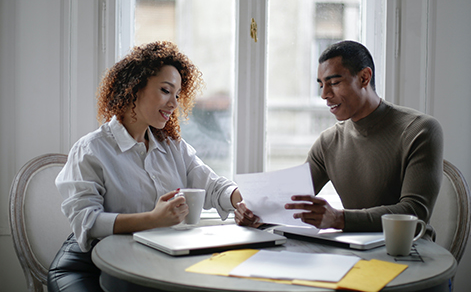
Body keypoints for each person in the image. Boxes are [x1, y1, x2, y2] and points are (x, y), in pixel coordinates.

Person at [48, 41, 248, 292]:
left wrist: (246, 199)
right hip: (90, 265)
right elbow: (87, 223)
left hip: (148, 262)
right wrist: (153, 219)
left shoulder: (172, 147)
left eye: (177, 95)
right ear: (134, 88)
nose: (174, 103)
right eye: (166, 91)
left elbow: (212, 186)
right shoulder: (91, 150)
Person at [282, 40, 444, 238]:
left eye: (333, 83)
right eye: (322, 85)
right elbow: (290, 201)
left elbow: (415, 211)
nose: (324, 94)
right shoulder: (328, 142)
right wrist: (253, 213)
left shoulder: (420, 129)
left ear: (364, 78)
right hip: (357, 250)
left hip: (411, 250)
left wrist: (338, 219)